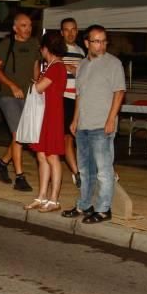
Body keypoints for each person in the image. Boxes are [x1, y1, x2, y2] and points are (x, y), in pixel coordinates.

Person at [62, 24, 126, 224]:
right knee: (85, 169)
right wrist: (74, 120)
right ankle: (84, 204)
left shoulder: (114, 64)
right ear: (87, 43)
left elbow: (119, 92)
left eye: (104, 41)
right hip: (83, 126)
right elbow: (80, 94)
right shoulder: (82, 66)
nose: (101, 45)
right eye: (97, 41)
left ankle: (104, 209)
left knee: (104, 171)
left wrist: (110, 119)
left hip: (101, 125)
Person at [0, 13, 41, 192]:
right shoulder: (7, 43)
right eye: (23, 25)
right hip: (9, 95)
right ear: (15, 28)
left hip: (28, 95)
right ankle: (20, 177)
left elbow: (36, 66)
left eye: (29, 25)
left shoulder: (35, 44)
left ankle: (1, 163)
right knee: (19, 135)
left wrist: (37, 88)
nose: (27, 29)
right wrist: (12, 86)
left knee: (25, 135)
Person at [23, 32, 67, 213]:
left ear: (45, 48)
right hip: (43, 114)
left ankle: (54, 199)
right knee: (41, 155)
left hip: (52, 115)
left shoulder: (56, 67)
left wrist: (36, 79)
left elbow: (39, 87)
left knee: (52, 156)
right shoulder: (49, 66)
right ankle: (41, 196)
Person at [60, 17, 84, 187]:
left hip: (78, 99)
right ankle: (77, 173)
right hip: (63, 99)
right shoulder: (58, 50)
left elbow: (83, 76)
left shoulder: (82, 52)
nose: (70, 33)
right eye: (67, 30)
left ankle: (82, 170)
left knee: (80, 137)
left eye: (73, 29)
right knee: (67, 137)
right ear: (62, 33)